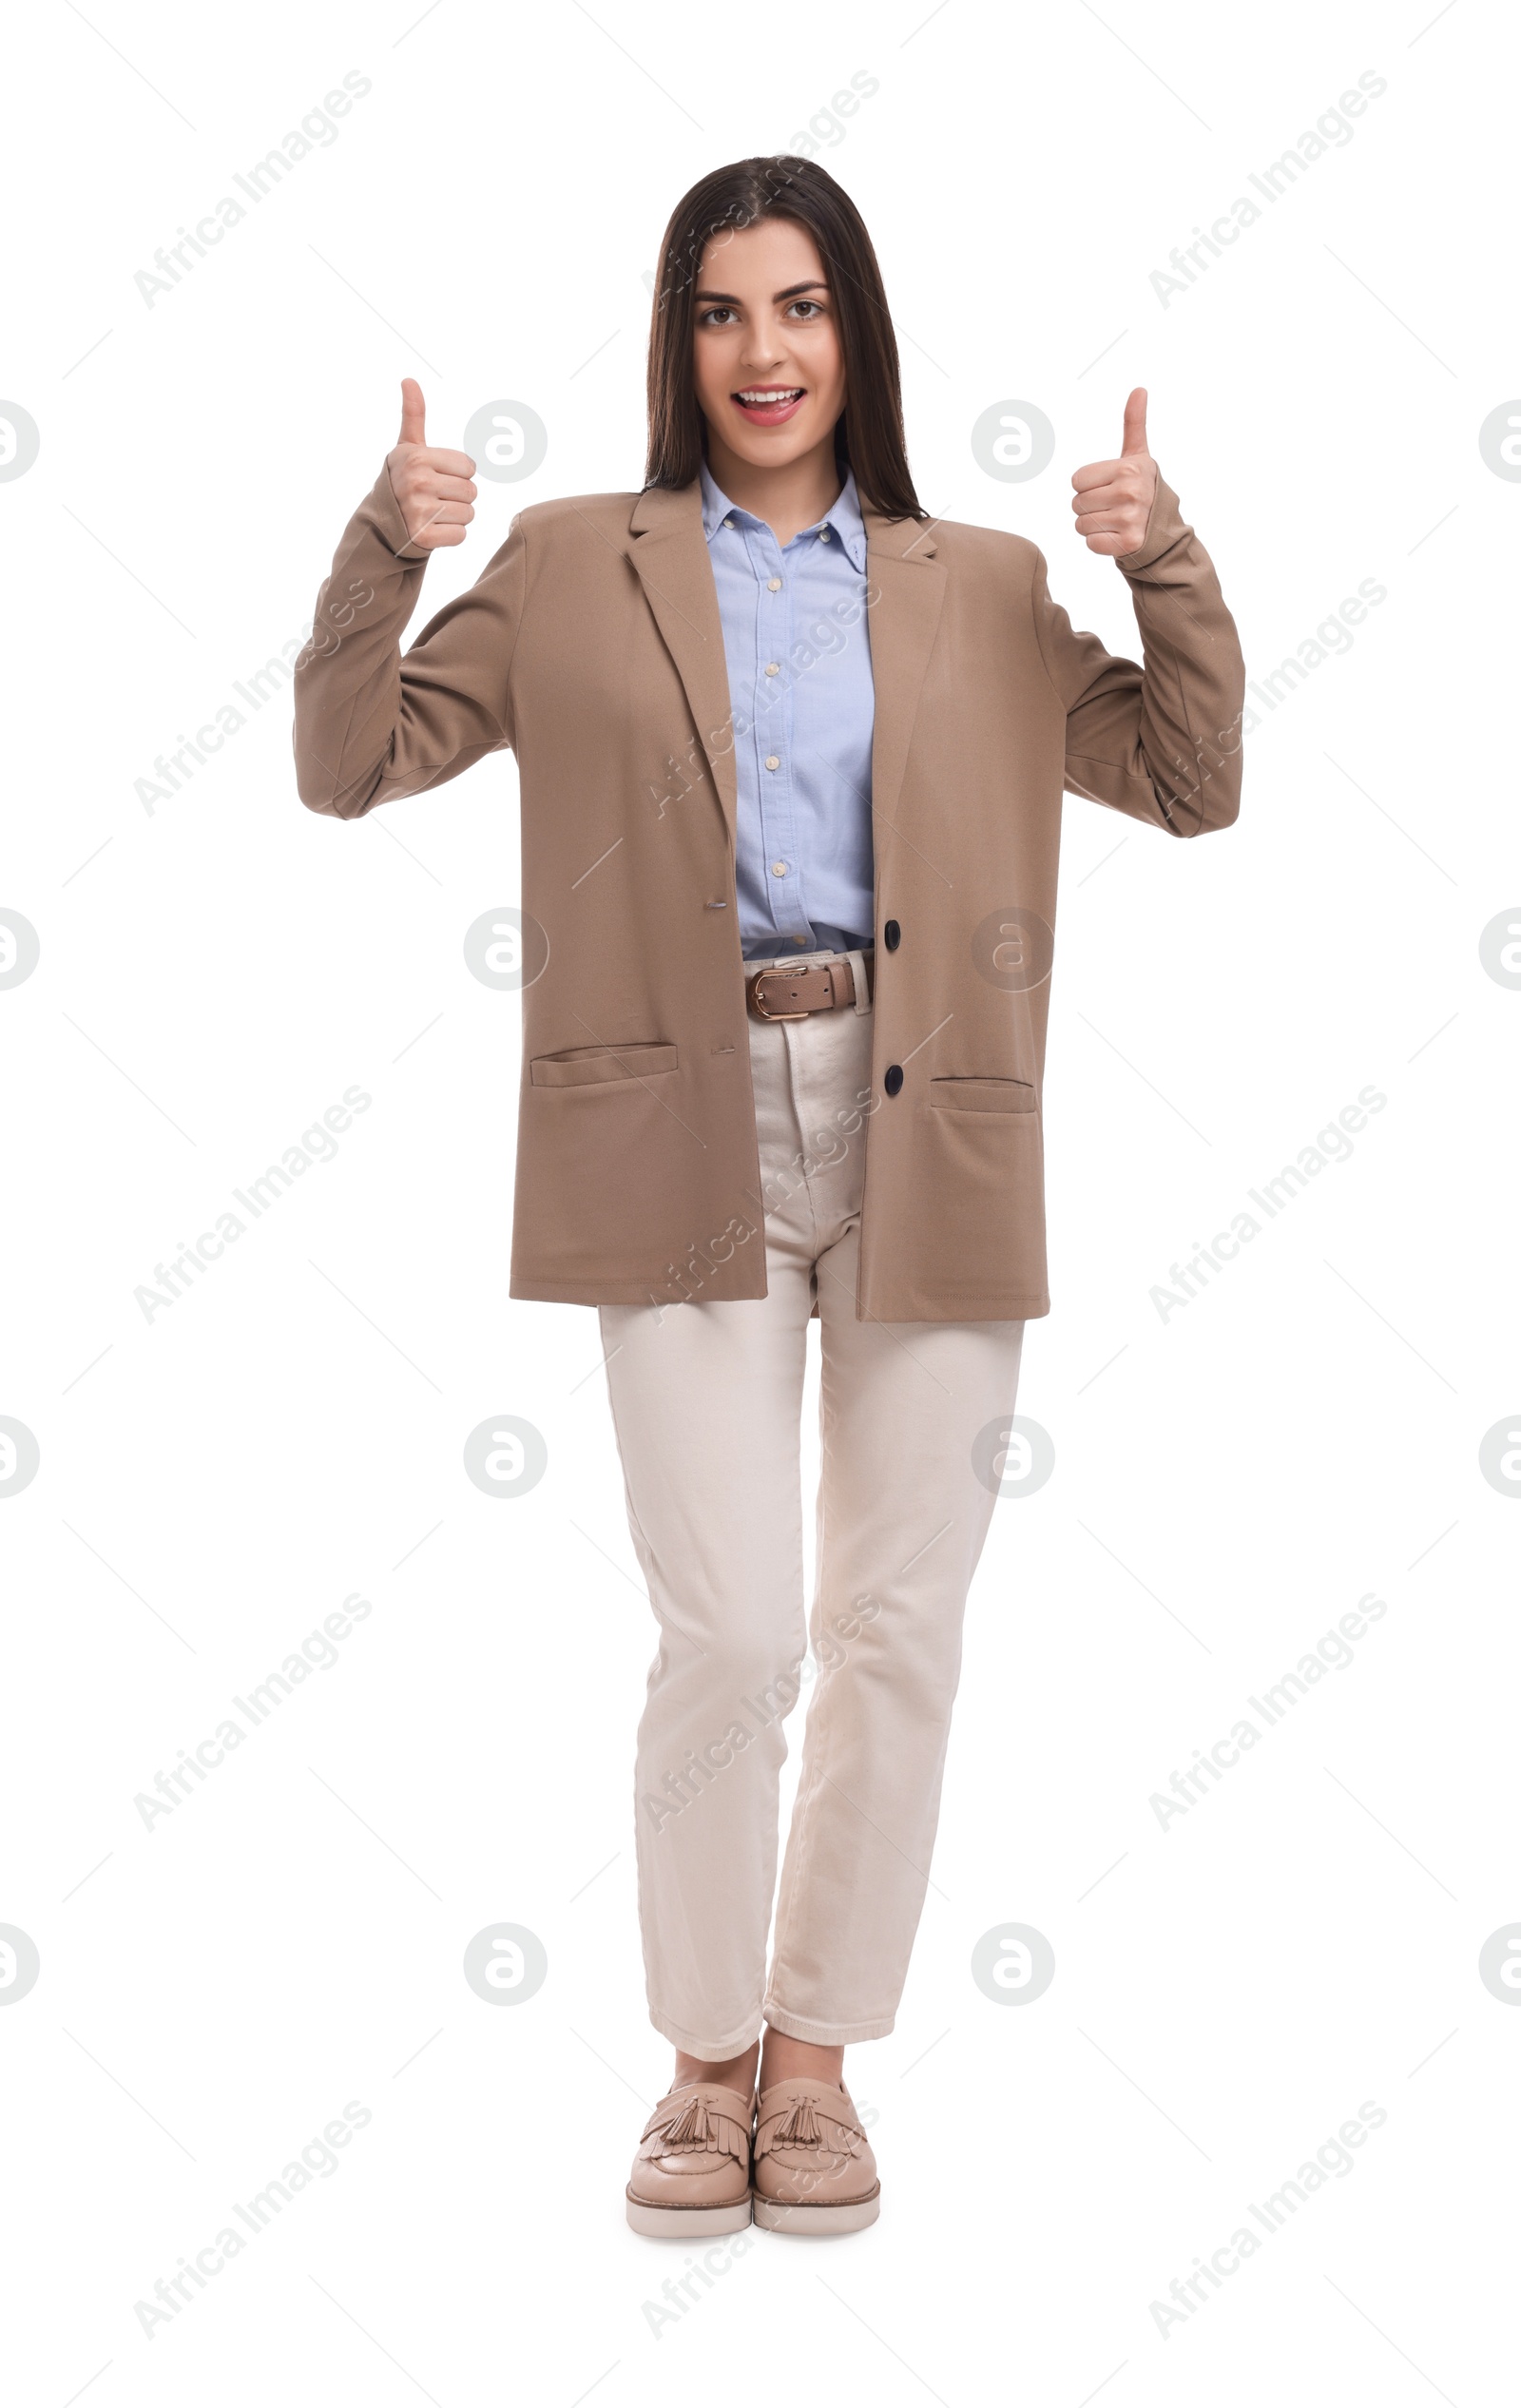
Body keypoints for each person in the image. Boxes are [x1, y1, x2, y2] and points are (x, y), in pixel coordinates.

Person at [294, 154, 1244, 2238]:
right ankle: (701, 2056)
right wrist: (385, 543)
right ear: (678, 339)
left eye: (797, 307)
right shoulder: (571, 564)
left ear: (854, 333)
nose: (762, 352)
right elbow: (348, 757)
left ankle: (813, 2069)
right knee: (726, 1627)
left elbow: (1187, 774)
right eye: (721, 312)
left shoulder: (975, 583)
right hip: (675, 1115)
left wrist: (1161, 559)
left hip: (931, 1119)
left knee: (894, 1622)